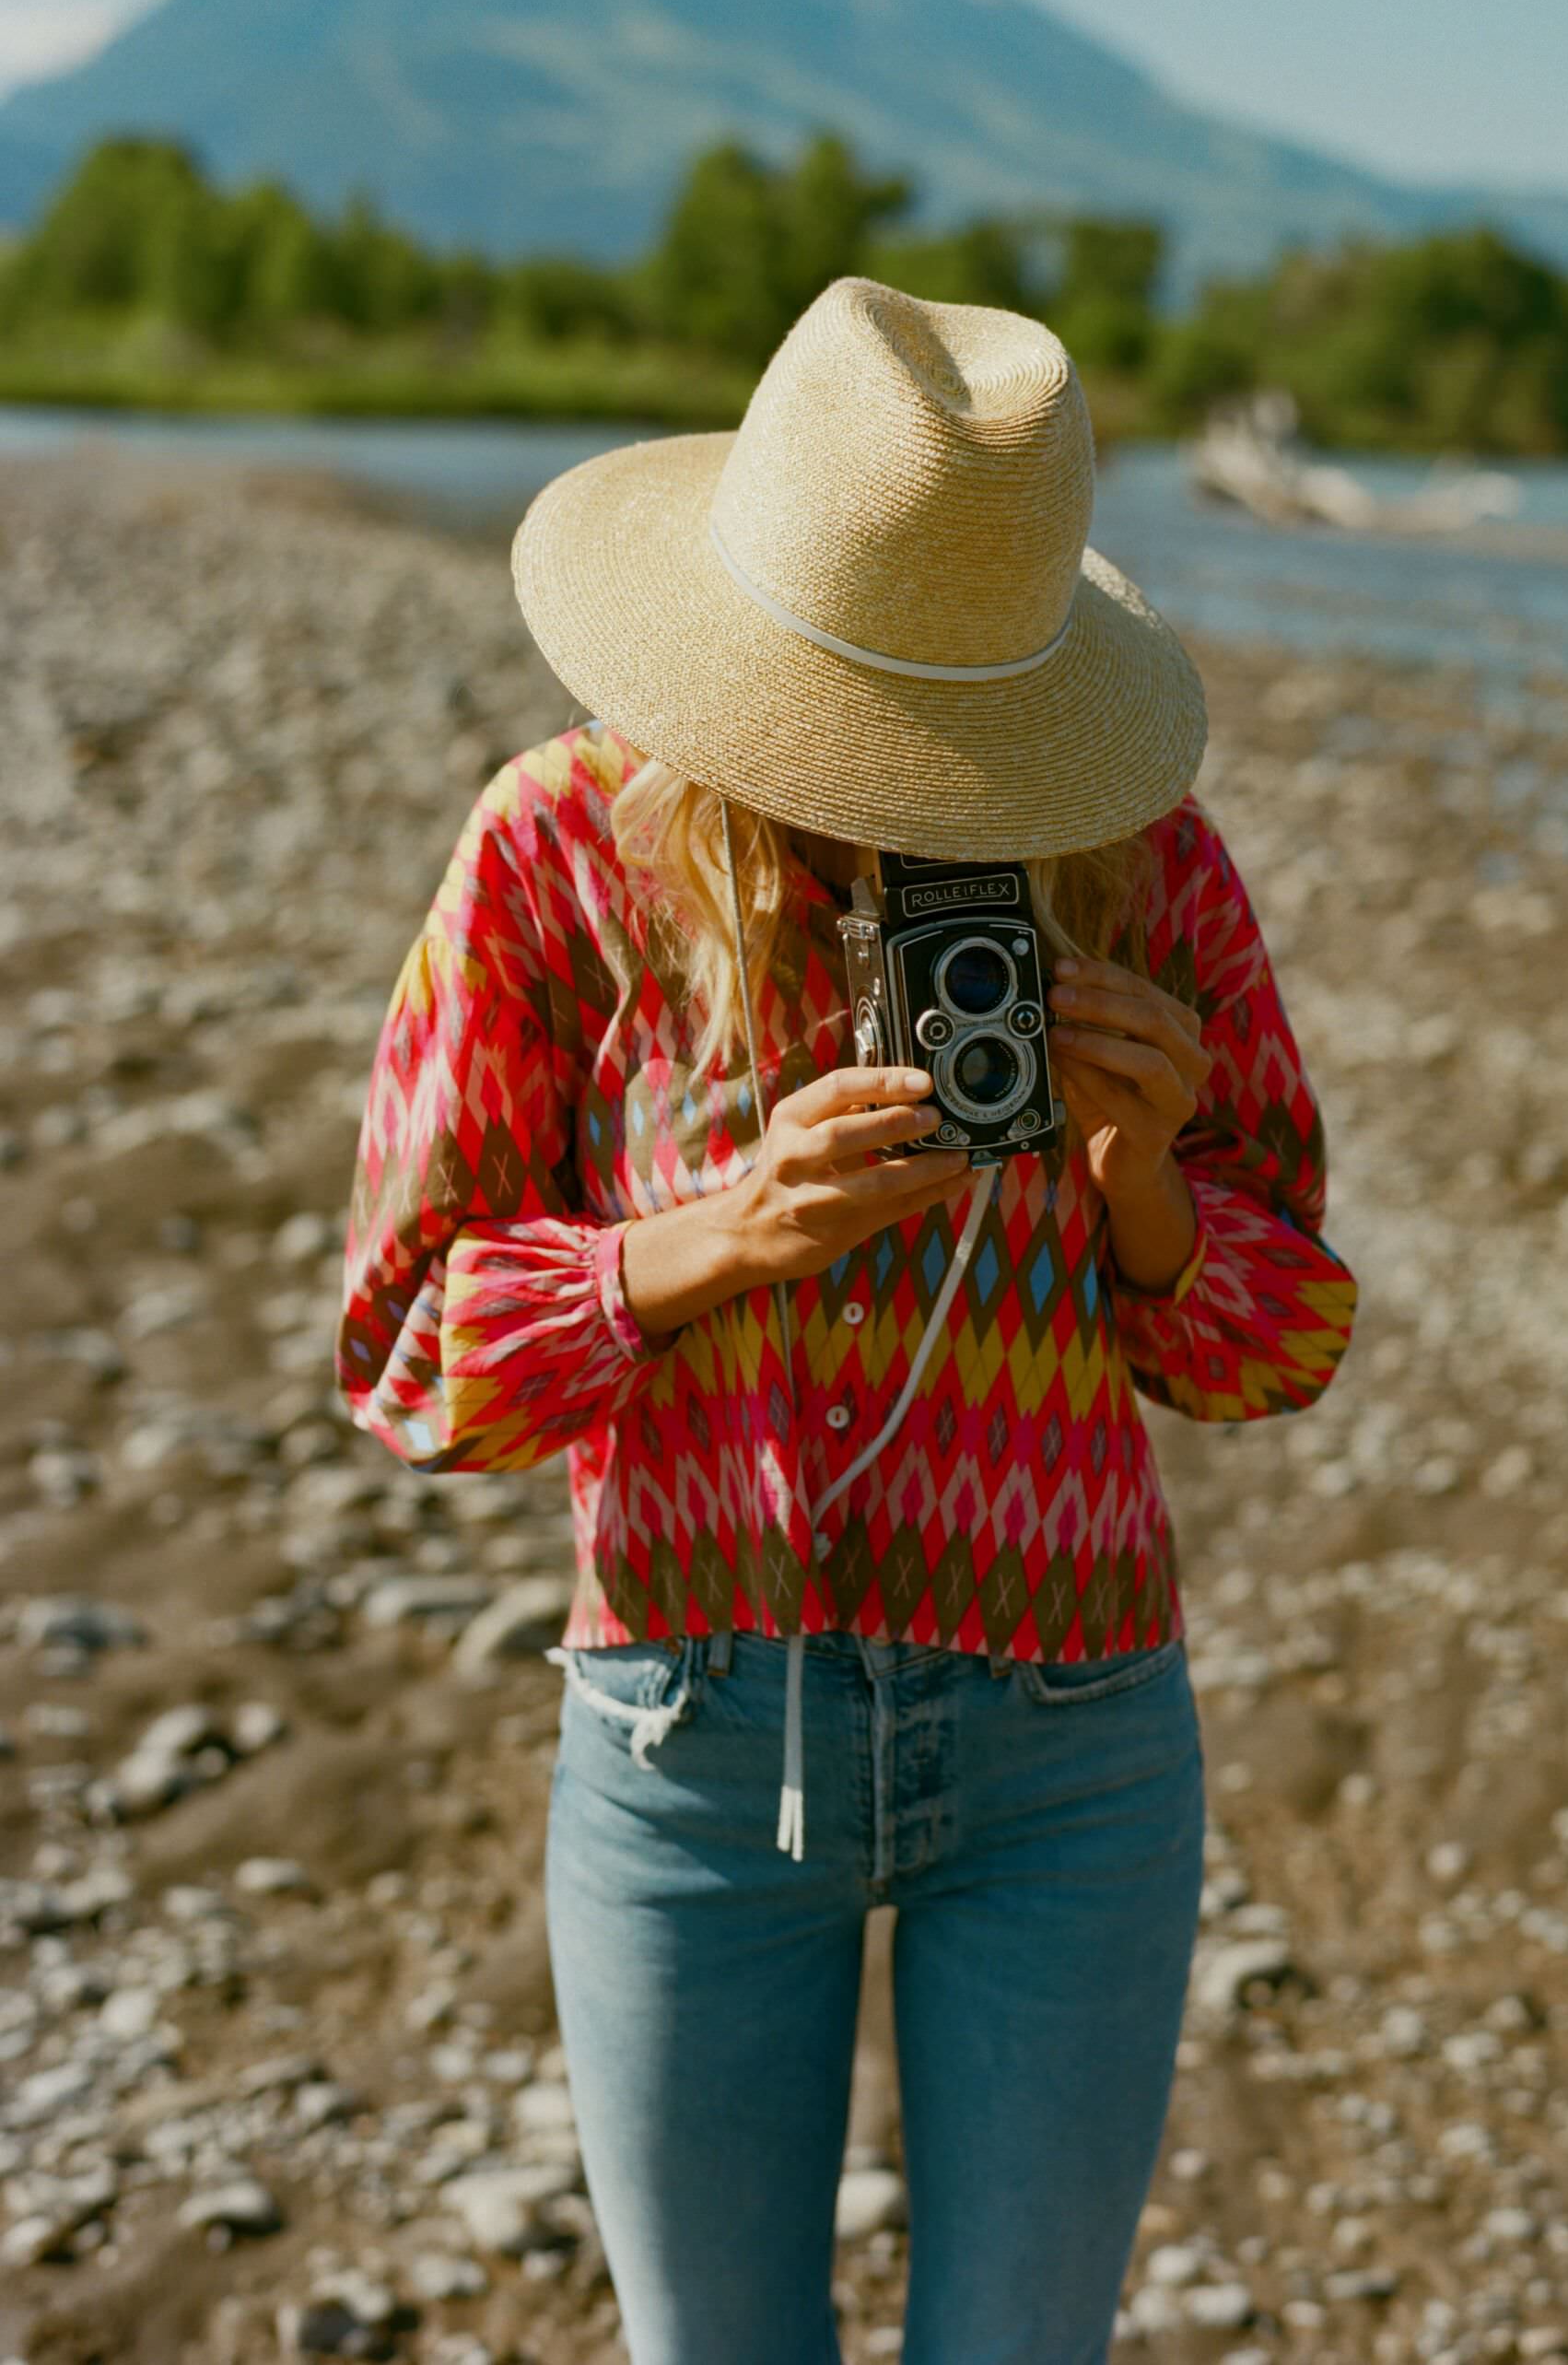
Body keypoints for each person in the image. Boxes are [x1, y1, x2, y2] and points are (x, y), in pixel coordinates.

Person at [334, 276, 1358, 2365]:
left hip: (1073, 1747)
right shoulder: (562, 847)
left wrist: (1138, 1181)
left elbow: (1282, 1341)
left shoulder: (1138, 861)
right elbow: (403, 1354)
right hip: (692, 1742)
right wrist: (708, 1240)